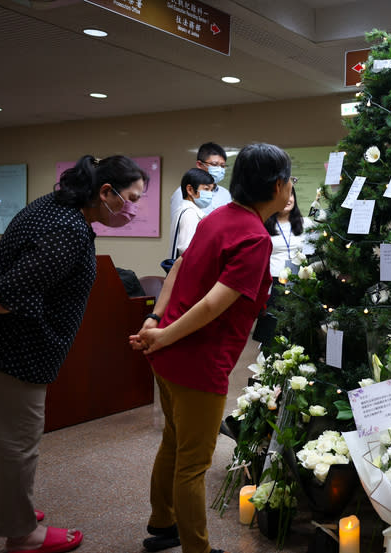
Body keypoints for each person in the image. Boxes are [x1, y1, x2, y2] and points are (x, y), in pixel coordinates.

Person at [0, 155, 147, 553]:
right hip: (16, 347)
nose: (134, 210)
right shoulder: (69, 230)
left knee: (3, 435)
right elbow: (9, 297)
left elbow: (10, 248)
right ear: (105, 192)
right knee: (19, 441)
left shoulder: (51, 204)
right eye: (131, 198)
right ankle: (22, 533)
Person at [129, 143, 293, 553]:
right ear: (277, 186)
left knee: (173, 442)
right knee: (194, 464)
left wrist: (156, 323)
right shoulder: (255, 239)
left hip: (168, 355)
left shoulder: (217, 217)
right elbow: (213, 304)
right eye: (289, 180)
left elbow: (179, 270)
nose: (290, 188)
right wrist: (164, 334)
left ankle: (162, 522)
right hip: (198, 363)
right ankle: (196, 548)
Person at [169, 142, 229, 218]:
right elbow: (180, 226)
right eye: (214, 164)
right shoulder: (184, 192)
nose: (219, 169)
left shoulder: (225, 194)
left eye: (222, 166)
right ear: (199, 165)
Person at [264, 185, 312, 279]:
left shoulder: (306, 223)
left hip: (300, 280)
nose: (287, 199)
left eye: (290, 195)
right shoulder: (264, 225)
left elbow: (319, 249)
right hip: (272, 279)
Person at [168, 168, 215, 259]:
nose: (210, 194)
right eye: (206, 189)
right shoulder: (190, 213)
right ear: (190, 189)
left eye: (211, 190)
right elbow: (186, 248)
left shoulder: (184, 209)